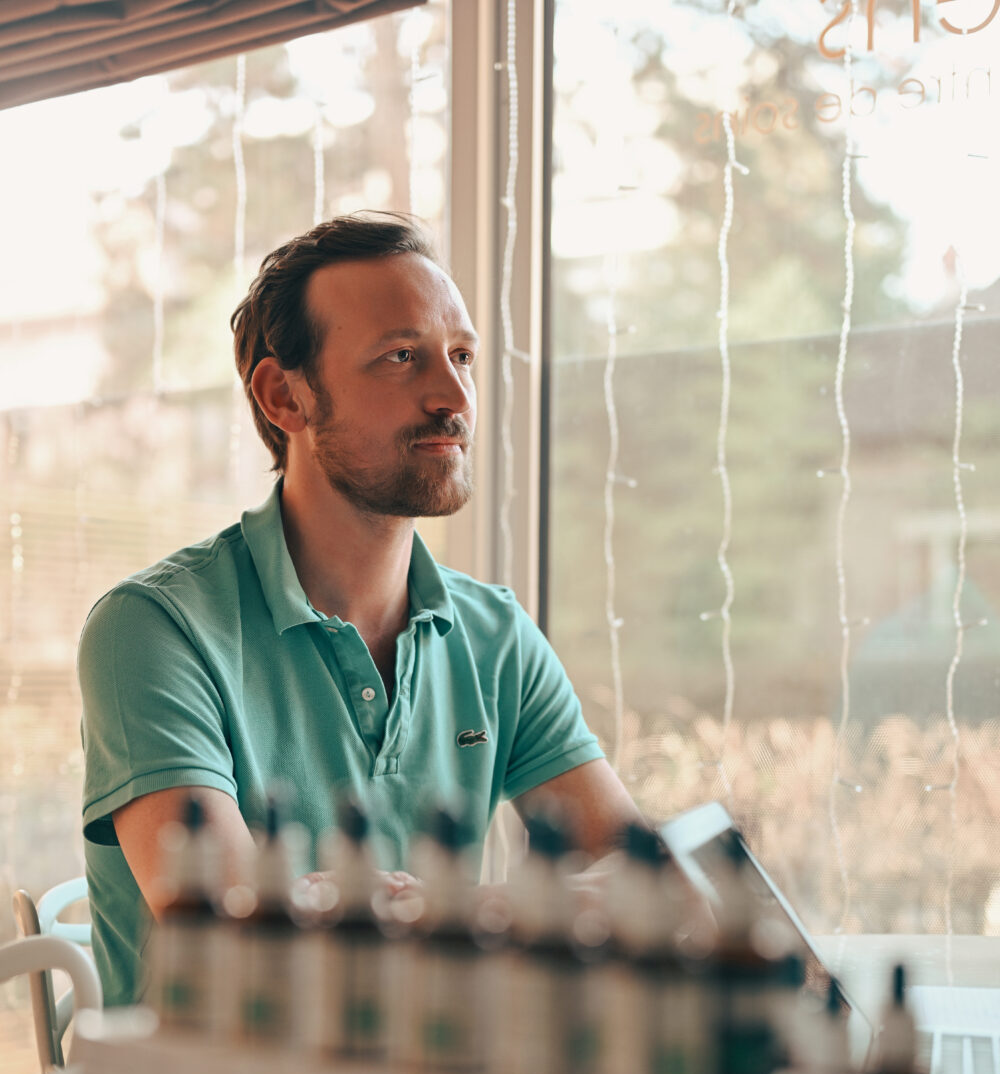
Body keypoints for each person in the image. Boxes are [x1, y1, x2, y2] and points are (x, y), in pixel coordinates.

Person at [78, 212, 640, 1008]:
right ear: (285, 396)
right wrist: (518, 911)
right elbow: (237, 942)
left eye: (462, 356)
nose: (454, 397)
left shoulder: (496, 636)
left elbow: (642, 876)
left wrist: (456, 908)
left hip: (432, 1069)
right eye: (401, 357)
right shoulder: (153, 629)